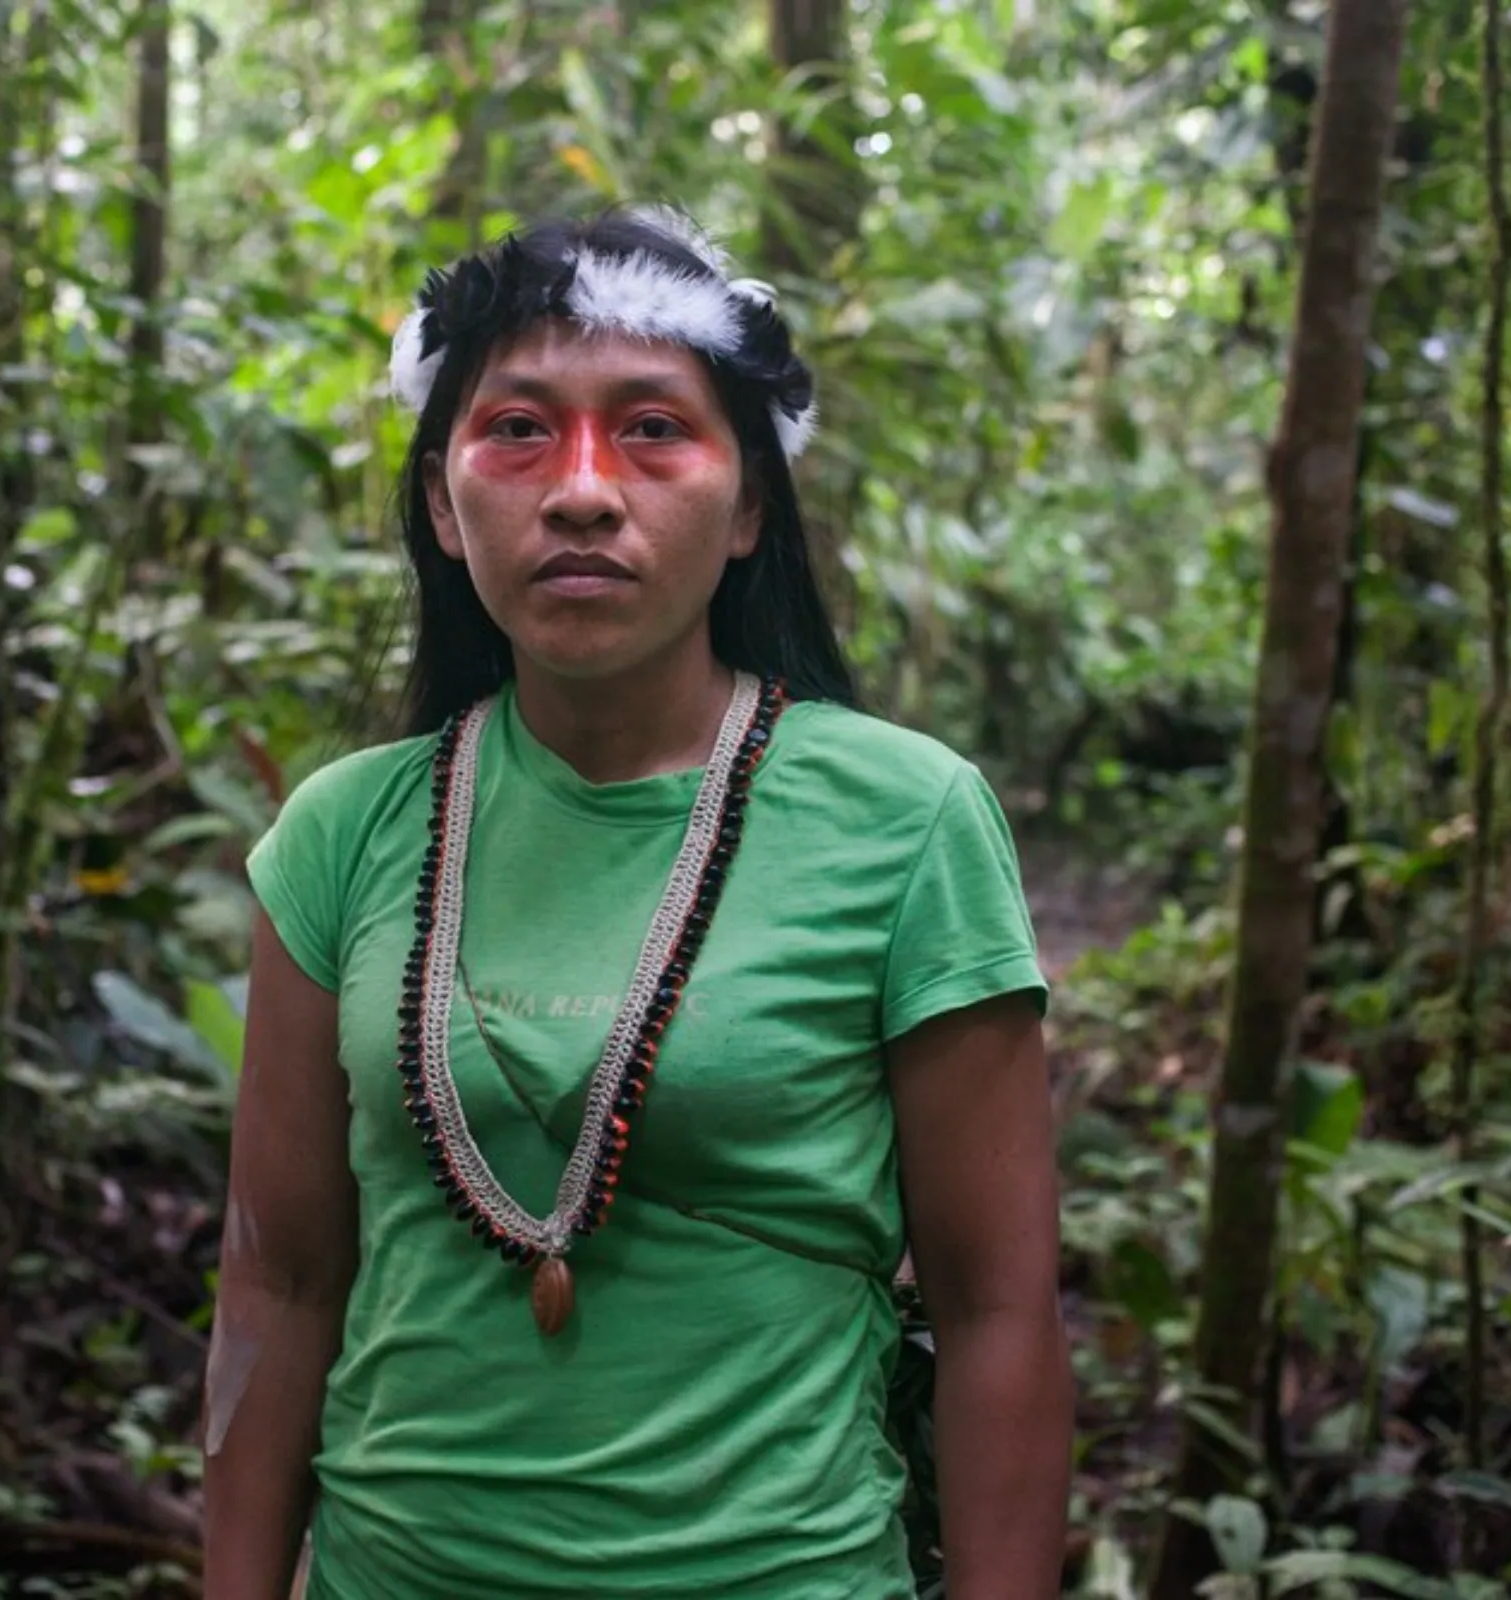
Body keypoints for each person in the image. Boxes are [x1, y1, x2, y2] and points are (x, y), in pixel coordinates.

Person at [202, 204, 1071, 1600]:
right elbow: (281, 1287)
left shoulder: (906, 821)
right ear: (442, 502)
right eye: (519, 430)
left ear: (747, 510)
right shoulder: (342, 836)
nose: (585, 490)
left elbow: (996, 1313)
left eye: (654, 429)